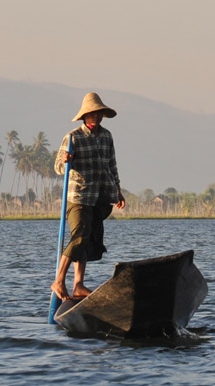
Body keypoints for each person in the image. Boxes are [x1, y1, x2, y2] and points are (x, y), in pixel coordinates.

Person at [51, 92, 125, 301]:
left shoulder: (107, 136)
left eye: (99, 113)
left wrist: (117, 190)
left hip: (99, 196)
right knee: (80, 235)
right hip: (78, 197)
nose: (97, 117)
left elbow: (112, 165)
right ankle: (59, 280)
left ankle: (78, 285)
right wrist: (65, 160)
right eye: (93, 113)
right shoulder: (73, 137)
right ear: (85, 115)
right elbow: (58, 167)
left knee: (87, 240)